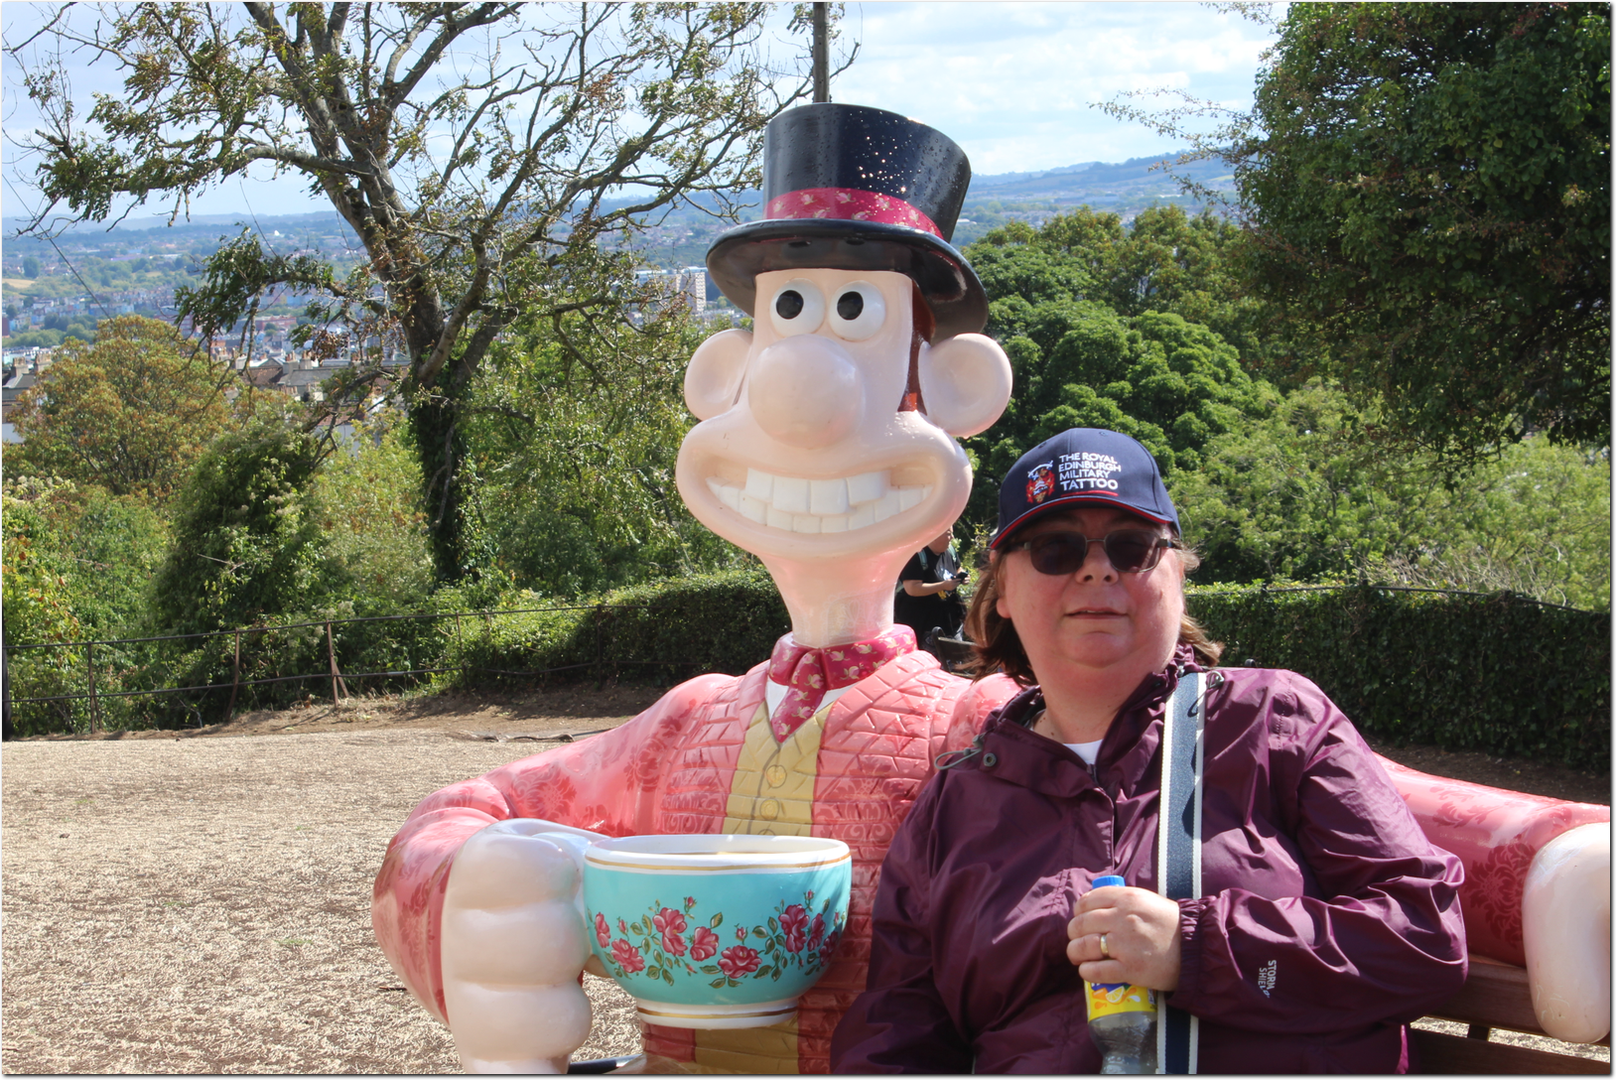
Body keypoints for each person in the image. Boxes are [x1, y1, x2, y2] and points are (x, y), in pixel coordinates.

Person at [831, 427, 1467, 1073]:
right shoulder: (956, 801)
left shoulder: (1276, 721)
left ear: (1178, 575)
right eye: (1055, 549)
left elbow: (1423, 937)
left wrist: (1200, 951)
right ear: (1003, 594)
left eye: (1132, 547)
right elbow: (900, 1028)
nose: (1097, 569)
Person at [894, 526, 968, 646]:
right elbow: (912, 588)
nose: (952, 537)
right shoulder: (916, 554)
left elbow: (958, 568)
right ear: (934, 536)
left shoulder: (949, 550)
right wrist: (943, 586)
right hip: (924, 623)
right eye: (948, 534)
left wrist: (962, 576)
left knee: (955, 655)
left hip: (951, 620)